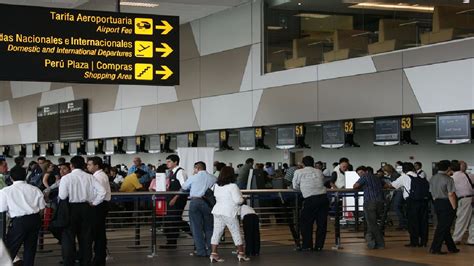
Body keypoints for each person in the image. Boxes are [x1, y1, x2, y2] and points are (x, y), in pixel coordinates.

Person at [59, 156, 107, 266]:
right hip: (86, 208)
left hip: (71, 209)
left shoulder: (66, 178)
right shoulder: (90, 177)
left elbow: (62, 196)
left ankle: (69, 262)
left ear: (71, 165)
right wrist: (94, 202)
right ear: (84, 165)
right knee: (86, 237)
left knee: (68, 237)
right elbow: (102, 192)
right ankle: (85, 262)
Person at [0, 166, 45, 266]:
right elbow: (42, 208)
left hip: (18, 222)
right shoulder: (35, 189)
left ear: (11, 177)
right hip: (34, 220)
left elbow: (2, 209)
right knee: (30, 249)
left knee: (10, 249)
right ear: (25, 176)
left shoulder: (5, 191)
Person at [210, 166, 249, 262]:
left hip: (217, 211)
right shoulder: (233, 186)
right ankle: (241, 254)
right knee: (235, 232)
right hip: (229, 212)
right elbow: (238, 200)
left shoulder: (216, 185)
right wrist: (243, 198)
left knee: (216, 233)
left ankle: (214, 254)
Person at [293, 156, 329, 251]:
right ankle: (319, 246)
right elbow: (322, 182)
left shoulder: (298, 172)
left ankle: (307, 245)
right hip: (323, 199)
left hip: (310, 199)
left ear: (302, 163)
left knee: (306, 223)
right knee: (321, 224)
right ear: (313, 163)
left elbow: (295, 186)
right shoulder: (319, 171)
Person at [181, 161, 216, 257]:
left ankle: (200, 251)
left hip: (195, 202)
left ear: (197, 168)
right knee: (209, 227)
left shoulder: (194, 177)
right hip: (208, 203)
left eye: (194, 169)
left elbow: (184, 187)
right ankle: (210, 251)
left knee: (196, 228)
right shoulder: (213, 178)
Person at [390, 162, 430, 247]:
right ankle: (423, 241)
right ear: (413, 169)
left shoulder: (404, 177)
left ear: (403, 170)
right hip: (423, 201)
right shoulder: (420, 176)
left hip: (412, 202)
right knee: (423, 222)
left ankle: (414, 242)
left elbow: (393, 185)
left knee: (413, 222)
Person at [429, 160, 459, 255]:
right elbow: (451, 194)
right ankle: (435, 248)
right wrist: (454, 207)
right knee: (443, 227)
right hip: (447, 203)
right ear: (448, 168)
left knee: (444, 226)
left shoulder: (433, 178)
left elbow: (432, 193)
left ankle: (452, 247)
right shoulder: (448, 179)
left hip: (437, 203)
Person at [162, 154, 191, 249]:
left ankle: (196, 236)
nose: (167, 163)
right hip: (170, 200)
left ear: (175, 162)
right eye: (166, 162)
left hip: (177, 201)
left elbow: (184, 187)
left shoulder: (180, 172)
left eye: (169, 161)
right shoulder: (171, 173)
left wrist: (175, 198)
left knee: (176, 220)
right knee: (170, 220)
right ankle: (171, 242)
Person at [87, 157, 112, 266]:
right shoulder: (98, 176)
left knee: (98, 234)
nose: (88, 166)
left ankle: (99, 259)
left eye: (90, 165)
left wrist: (94, 203)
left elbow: (100, 193)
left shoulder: (99, 177)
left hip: (99, 206)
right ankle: (98, 258)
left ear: (96, 166)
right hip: (100, 205)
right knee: (99, 233)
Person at [354, 166, 386, 249]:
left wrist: (361, 186)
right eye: (358, 174)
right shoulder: (377, 177)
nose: (360, 175)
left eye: (360, 173)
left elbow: (355, 186)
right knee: (372, 223)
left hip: (370, 202)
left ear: (366, 171)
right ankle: (371, 242)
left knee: (372, 224)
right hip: (380, 202)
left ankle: (380, 243)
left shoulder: (365, 176)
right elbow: (386, 185)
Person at [452, 161, 474, 244]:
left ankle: (456, 238)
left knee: (461, 219)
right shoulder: (470, 175)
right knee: (473, 220)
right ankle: (472, 239)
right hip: (472, 198)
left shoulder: (453, 177)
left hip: (464, 199)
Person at [384, 164, 406, 230]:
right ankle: (403, 223)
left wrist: (387, 186)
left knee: (397, 207)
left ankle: (403, 224)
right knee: (400, 208)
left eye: (385, 171)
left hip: (399, 192)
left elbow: (393, 185)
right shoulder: (395, 174)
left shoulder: (394, 175)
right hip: (399, 192)